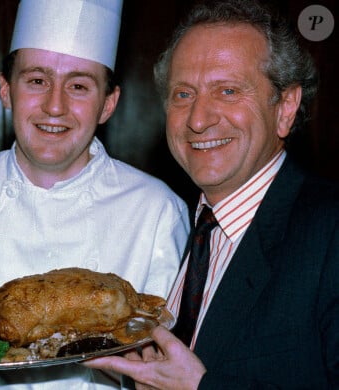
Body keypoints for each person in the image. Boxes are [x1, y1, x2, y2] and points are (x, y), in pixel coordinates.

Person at [0, 0, 189, 388]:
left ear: (108, 104)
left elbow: (162, 358)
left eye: (78, 86)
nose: (54, 106)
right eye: (37, 80)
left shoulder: (157, 211)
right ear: (5, 90)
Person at [83, 0, 339, 388]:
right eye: (183, 95)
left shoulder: (330, 232)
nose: (199, 119)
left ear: (285, 107)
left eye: (228, 90)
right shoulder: (192, 227)